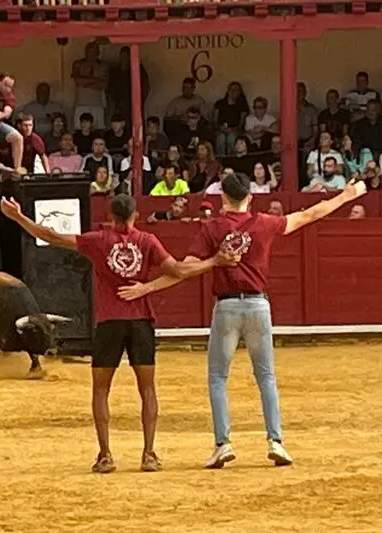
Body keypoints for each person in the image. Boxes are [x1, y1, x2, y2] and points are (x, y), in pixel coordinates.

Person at [117, 172, 368, 469]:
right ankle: (277, 441)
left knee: (218, 378)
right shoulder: (264, 223)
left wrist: (147, 287)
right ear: (250, 196)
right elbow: (310, 214)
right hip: (258, 306)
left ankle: (223, 445)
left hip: (226, 308)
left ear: (223, 197)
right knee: (266, 377)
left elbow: (184, 269)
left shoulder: (212, 228)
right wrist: (346, 195)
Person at [0, 193, 238, 474]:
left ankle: (105, 455)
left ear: (110, 217)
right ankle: (149, 454)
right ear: (136, 215)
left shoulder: (99, 240)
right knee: (147, 389)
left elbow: (51, 235)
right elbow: (178, 270)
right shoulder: (147, 241)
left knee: (101, 390)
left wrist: (18, 217)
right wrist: (213, 262)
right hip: (140, 320)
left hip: (109, 321)